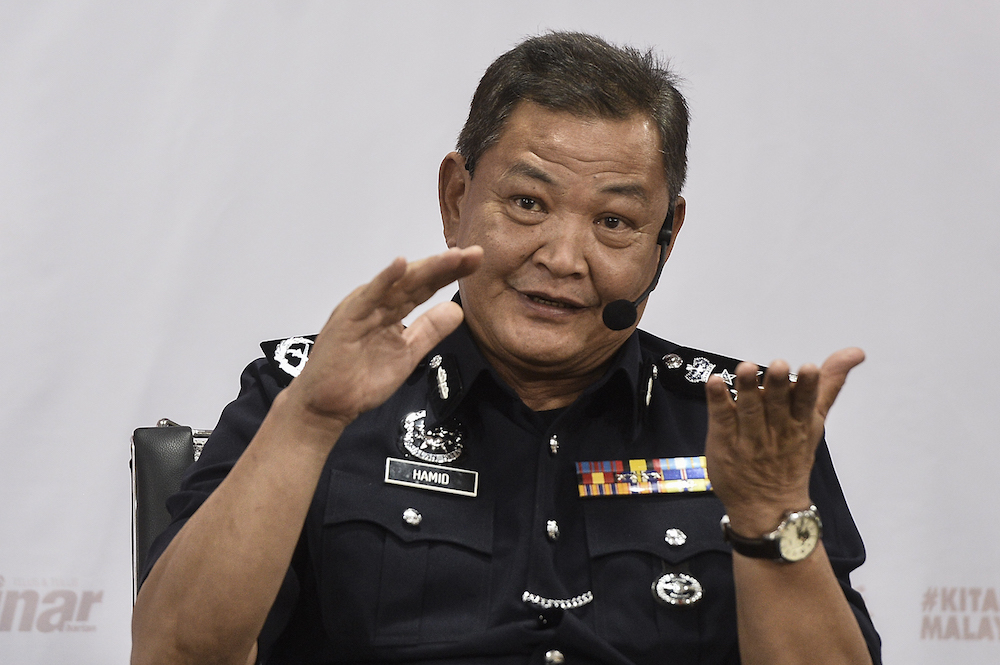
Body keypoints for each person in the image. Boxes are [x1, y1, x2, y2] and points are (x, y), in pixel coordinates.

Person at [131, 32, 880, 665]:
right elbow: (172, 652)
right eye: (527, 204)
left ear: (666, 237)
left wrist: (769, 515)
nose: (563, 257)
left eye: (615, 222)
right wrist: (309, 422)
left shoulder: (742, 428)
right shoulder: (312, 391)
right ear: (457, 197)